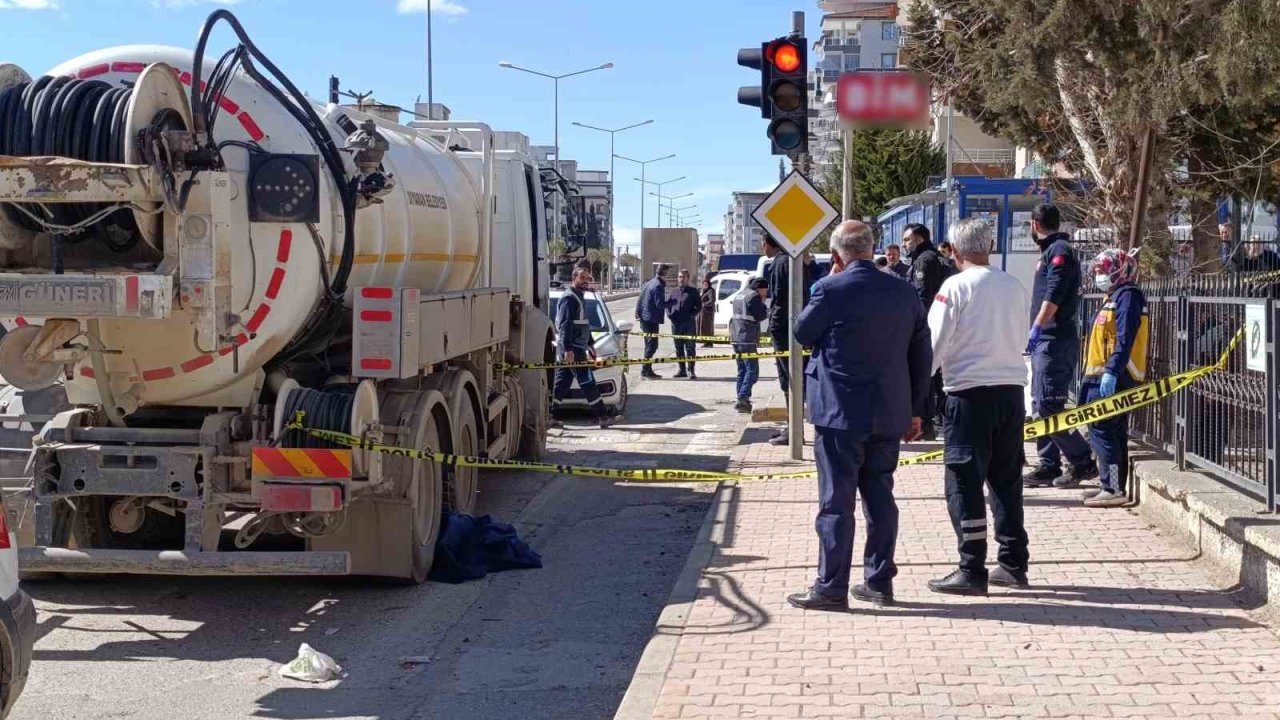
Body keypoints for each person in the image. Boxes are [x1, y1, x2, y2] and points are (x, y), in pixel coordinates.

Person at [786, 221, 931, 611]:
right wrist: (917, 410)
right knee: (880, 498)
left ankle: (831, 587)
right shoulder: (904, 291)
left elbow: (801, 332)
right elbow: (921, 354)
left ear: (837, 256)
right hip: (889, 412)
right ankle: (879, 583)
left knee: (836, 502)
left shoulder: (831, 289)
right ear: (871, 249)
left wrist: (828, 282)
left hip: (839, 416)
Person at [925, 219, 1032, 594]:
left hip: (969, 395)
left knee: (964, 481)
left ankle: (971, 567)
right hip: (1011, 392)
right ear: (990, 246)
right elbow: (1022, 335)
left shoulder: (954, 287)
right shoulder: (1013, 286)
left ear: (953, 251)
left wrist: (916, 391)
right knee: (1006, 480)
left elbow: (933, 345)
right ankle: (1013, 562)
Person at [1023, 204, 1099, 489]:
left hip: (1054, 339)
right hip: (1047, 340)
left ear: (1034, 225)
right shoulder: (1051, 251)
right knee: (1039, 402)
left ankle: (1082, 462)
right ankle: (1048, 463)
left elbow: (1054, 294)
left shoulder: (1058, 253)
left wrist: (1038, 326)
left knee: (1049, 405)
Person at [1079, 248, 1149, 508]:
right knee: (1112, 431)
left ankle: (1113, 487)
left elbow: (1125, 337)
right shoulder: (1114, 296)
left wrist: (1112, 370)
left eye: (1103, 271)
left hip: (1115, 376)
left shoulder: (1128, 296)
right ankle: (1112, 485)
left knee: (1102, 429)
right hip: (1101, 375)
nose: (1099, 276)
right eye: (1097, 271)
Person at [552, 266, 621, 429]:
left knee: (562, 383)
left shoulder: (580, 296)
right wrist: (568, 349)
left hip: (577, 347)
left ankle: (549, 415)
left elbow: (582, 325)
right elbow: (565, 326)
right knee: (588, 382)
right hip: (573, 349)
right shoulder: (569, 299)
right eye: (582, 278)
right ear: (573, 279)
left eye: (587, 278)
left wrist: (589, 343)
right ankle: (603, 417)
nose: (585, 281)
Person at [904, 223, 951, 441]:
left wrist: (914, 328)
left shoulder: (924, 260)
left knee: (925, 376)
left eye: (908, 240)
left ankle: (927, 424)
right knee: (939, 378)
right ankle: (941, 422)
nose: (905, 244)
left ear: (919, 239)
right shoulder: (939, 258)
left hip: (928, 328)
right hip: (943, 325)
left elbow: (921, 297)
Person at [764, 235, 812, 446]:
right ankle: (793, 428)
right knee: (793, 378)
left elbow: (780, 299)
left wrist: (773, 325)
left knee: (789, 379)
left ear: (768, 244)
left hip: (784, 329)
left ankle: (794, 431)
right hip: (795, 325)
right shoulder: (794, 260)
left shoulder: (781, 263)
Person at [730, 277, 769, 412]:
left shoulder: (739, 295)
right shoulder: (754, 297)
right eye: (765, 290)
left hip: (736, 337)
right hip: (747, 338)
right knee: (752, 370)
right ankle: (742, 398)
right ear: (760, 289)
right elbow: (760, 315)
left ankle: (741, 398)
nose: (766, 293)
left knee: (742, 370)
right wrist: (764, 303)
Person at [635, 265, 670, 380]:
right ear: (665, 272)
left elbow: (640, 299)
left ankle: (648, 370)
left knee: (648, 346)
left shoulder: (650, 282)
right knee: (652, 346)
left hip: (645, 319)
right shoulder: (658, 285)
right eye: (668, 272)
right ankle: (645, 371)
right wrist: (674, 301)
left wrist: (638, 313)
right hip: (651, 320)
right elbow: (660, 304)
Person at [668, 269, 703, 379]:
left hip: (689, 325)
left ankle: (691, 370)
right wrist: (670, 315)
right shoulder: (673, 291)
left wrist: (691, 315)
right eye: (679, 277)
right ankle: (681, 369)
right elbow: (667, 306)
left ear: (687, 279)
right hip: (676, 325)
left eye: (683, 277)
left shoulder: (693, 291)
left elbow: (699, 306)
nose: (681, 279)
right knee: (678, 348)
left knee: (690, 348)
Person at [698, 275, 717, 348]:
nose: (705, 285)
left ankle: (709, 343)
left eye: (706, 284)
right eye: (704, 284)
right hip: (703, 312)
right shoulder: (703, 291)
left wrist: (704, 304)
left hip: (708, 312)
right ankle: (706, 342)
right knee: (704, 328)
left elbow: (712, 300)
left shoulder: (711, 291)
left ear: (709, 284)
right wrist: (701, 293)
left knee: (708, 328)